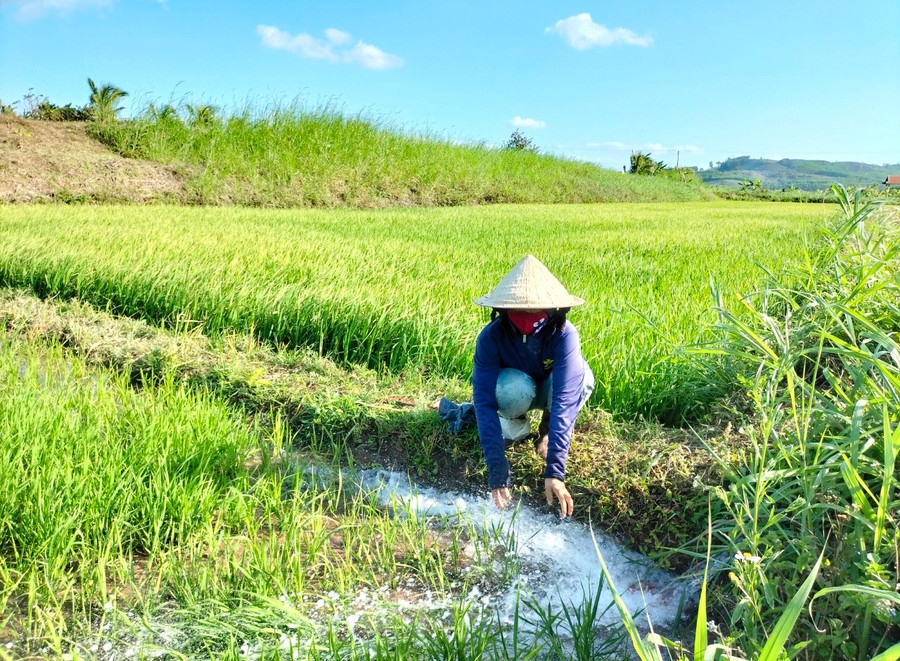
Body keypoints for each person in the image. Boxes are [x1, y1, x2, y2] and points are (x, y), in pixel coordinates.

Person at [472, 254, 594, 519]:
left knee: (582, 379)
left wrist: (555, 471)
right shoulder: (491, 337)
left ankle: (546, 432)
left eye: (534, 309)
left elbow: (564, 397)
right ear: (504, 309)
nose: (527, 316)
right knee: (508, 387)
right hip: (517, 391)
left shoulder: (564, 335)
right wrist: (496, 467)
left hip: (552, 389)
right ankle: (516, 425)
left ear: (554, 309)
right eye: (519, 310)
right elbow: (483, 401)